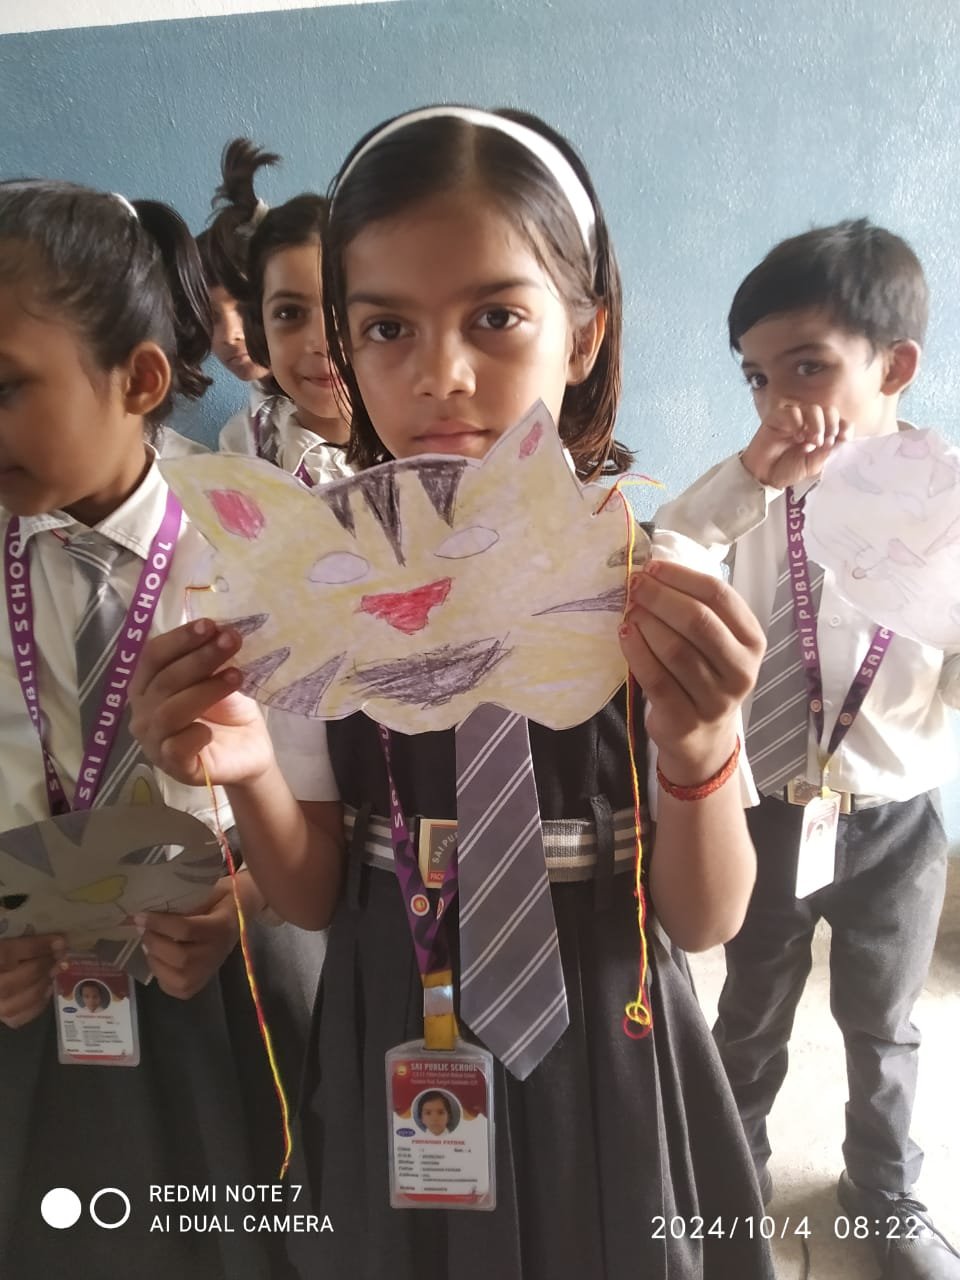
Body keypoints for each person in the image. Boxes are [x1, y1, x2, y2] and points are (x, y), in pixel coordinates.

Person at [129, 106, 774, 1280]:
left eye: (496, 317)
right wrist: (250, 762)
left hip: (606, 1040)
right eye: (386, 327)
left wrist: (700, 746)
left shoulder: (655, 583)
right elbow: (309, 892)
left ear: (584, 333)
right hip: (395, 1017)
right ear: (343, 346)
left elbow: (704, 917)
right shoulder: (311, 592)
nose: (439, 373)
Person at [0, 180, 296, 1280]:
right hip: (25, 980)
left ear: (140, 380)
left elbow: (328, 802)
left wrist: (244, 904)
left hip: (211, 977)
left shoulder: (254, 550)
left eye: (3, 386)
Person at [656, 219, 960, 1280]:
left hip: (895, 820)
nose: (780, 402)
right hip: (765, 812)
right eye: (756, 376)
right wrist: (745, 479)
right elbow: (663, 557)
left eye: (808, 367)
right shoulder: (748, 497)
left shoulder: (948, 510)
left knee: (885, 1026)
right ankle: (728, 1187)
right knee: (749, 1011)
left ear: (897, 367)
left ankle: (884, 1192)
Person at [224, 193, 353, 486]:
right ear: (259, 328)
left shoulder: (435, 442)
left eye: (348, 309)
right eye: (290, 313)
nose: (323, 342)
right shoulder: (242, 450)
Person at [192, 137, 277, 459]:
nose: (230, 336)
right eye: (211, 316)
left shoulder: (376, 409)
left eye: (245, 308)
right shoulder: (239, 443)